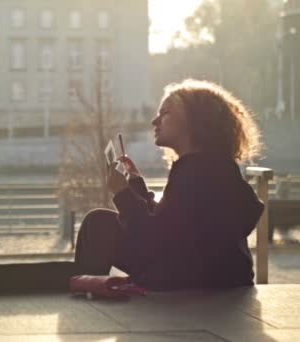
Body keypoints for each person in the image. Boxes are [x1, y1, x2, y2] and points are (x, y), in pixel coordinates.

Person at [75, 79, 264, 290]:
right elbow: (169, 226)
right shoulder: (213, 167)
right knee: (102, 224)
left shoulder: (195, 174)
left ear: (194, 120)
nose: (155, 121)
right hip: (213, 276)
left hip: (188, 281)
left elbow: (153, 239)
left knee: (98, 225)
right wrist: (136, 185)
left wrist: (122, 193)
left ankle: (85, 302)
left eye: (165, 113)